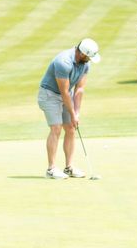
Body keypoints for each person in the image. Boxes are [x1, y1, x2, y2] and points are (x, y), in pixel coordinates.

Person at [38, 38, 100, 178]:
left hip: (66, 95)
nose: (90, 60)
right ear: (83, 54)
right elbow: (64, 92)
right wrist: (72, 113)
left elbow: (79, 90)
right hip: (50, 94)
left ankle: (69, 167)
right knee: (56, 128)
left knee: (71, 128)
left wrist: (76, 114)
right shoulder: (63, 62)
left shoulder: (85, 64)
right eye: (89, 57)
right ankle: (51, 169)